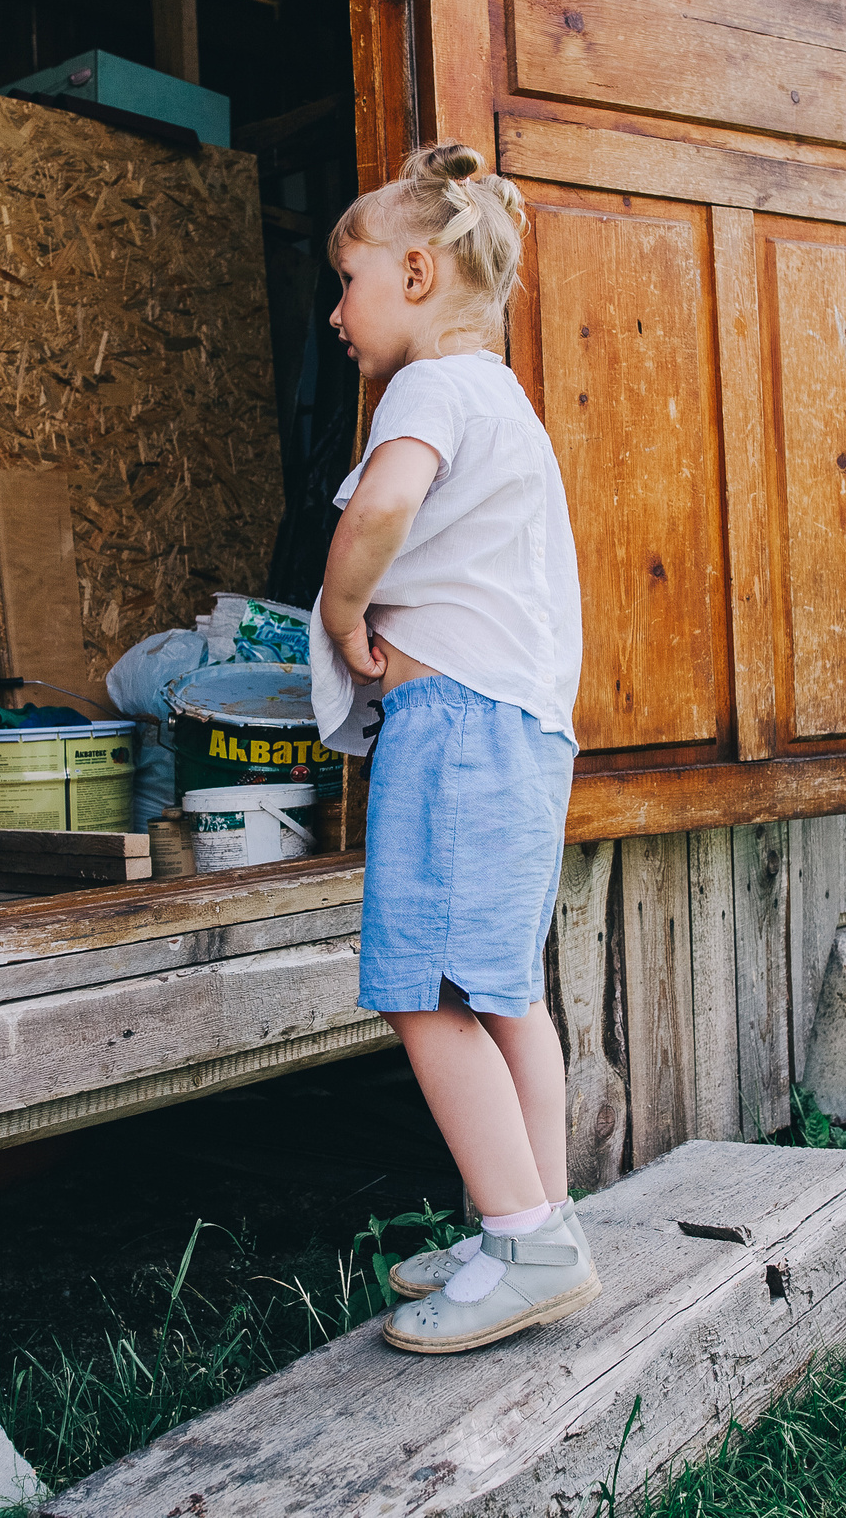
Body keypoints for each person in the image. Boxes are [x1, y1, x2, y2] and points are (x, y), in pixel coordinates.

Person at [309, 142, 591, 1355]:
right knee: (501, 988)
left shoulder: (424, 392)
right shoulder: (502, 395)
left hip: (456, 725)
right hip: (517, 729)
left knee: (423, 991)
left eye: (349, 282)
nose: (334, 312)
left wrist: (338, 609)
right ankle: (533, 1219)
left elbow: (380, 509)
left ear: (417, 273)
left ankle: (526, 1244)